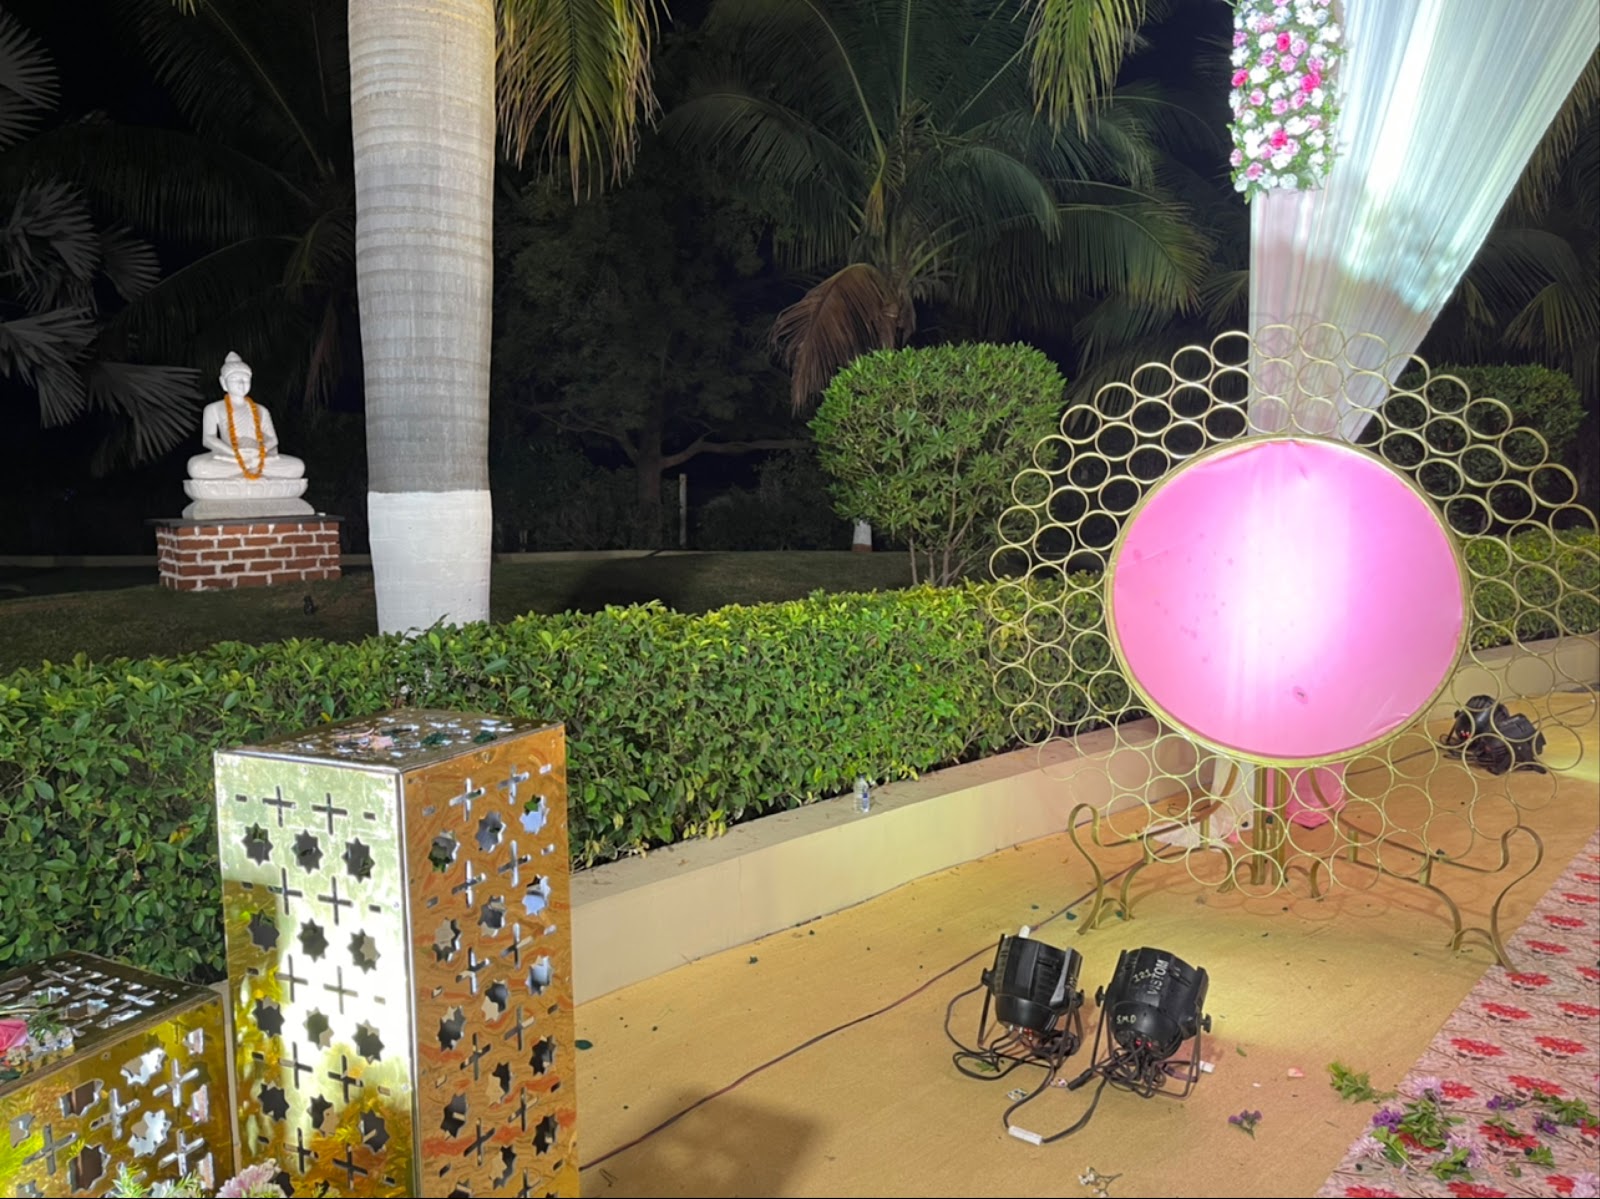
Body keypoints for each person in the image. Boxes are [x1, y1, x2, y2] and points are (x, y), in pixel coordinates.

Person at [187, 352, 306, 481]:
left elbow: (273, 439)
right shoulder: (214, 408)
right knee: (196, 467)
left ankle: (248, 470)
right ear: (223, 383)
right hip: (230, 457)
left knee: (298, 466)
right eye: (235, 379)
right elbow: (208, 439)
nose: (241, 384)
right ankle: (246, 470)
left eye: (246, 379)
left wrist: (260, 452)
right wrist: (235, 453)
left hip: (259, 457)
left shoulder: (261, 410)